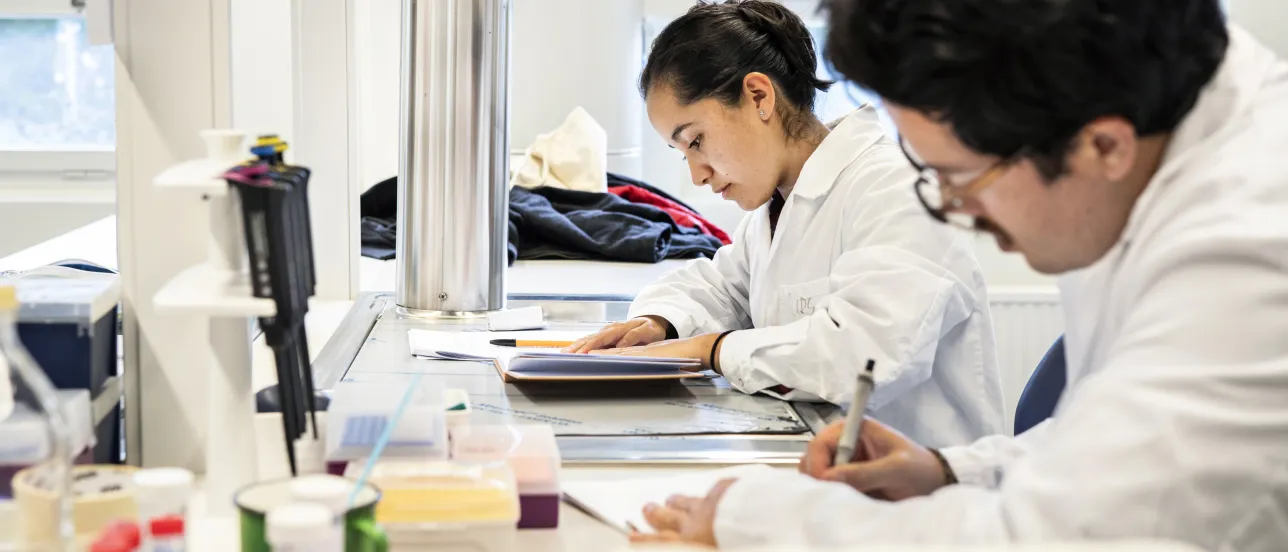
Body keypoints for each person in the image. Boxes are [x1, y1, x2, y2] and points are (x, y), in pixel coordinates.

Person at [631, 0, 1288, 548]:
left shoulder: (1246, 250)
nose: (952, 213)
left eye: (958, 177)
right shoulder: (1139, 126)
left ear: (1103, 147)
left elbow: (1065, 531)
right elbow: (1109, 444)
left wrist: (760, 521)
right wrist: (948, 470)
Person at [563, 0, 1005, 448]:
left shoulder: (895, 189)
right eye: (683, 154)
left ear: (759, 96)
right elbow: (719, 287)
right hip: (826, 461)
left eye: (696, 141)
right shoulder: (777, 206)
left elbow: (862, 356)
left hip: (925, 481)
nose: (697, 175)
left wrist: (712, 350)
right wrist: (660, 323)